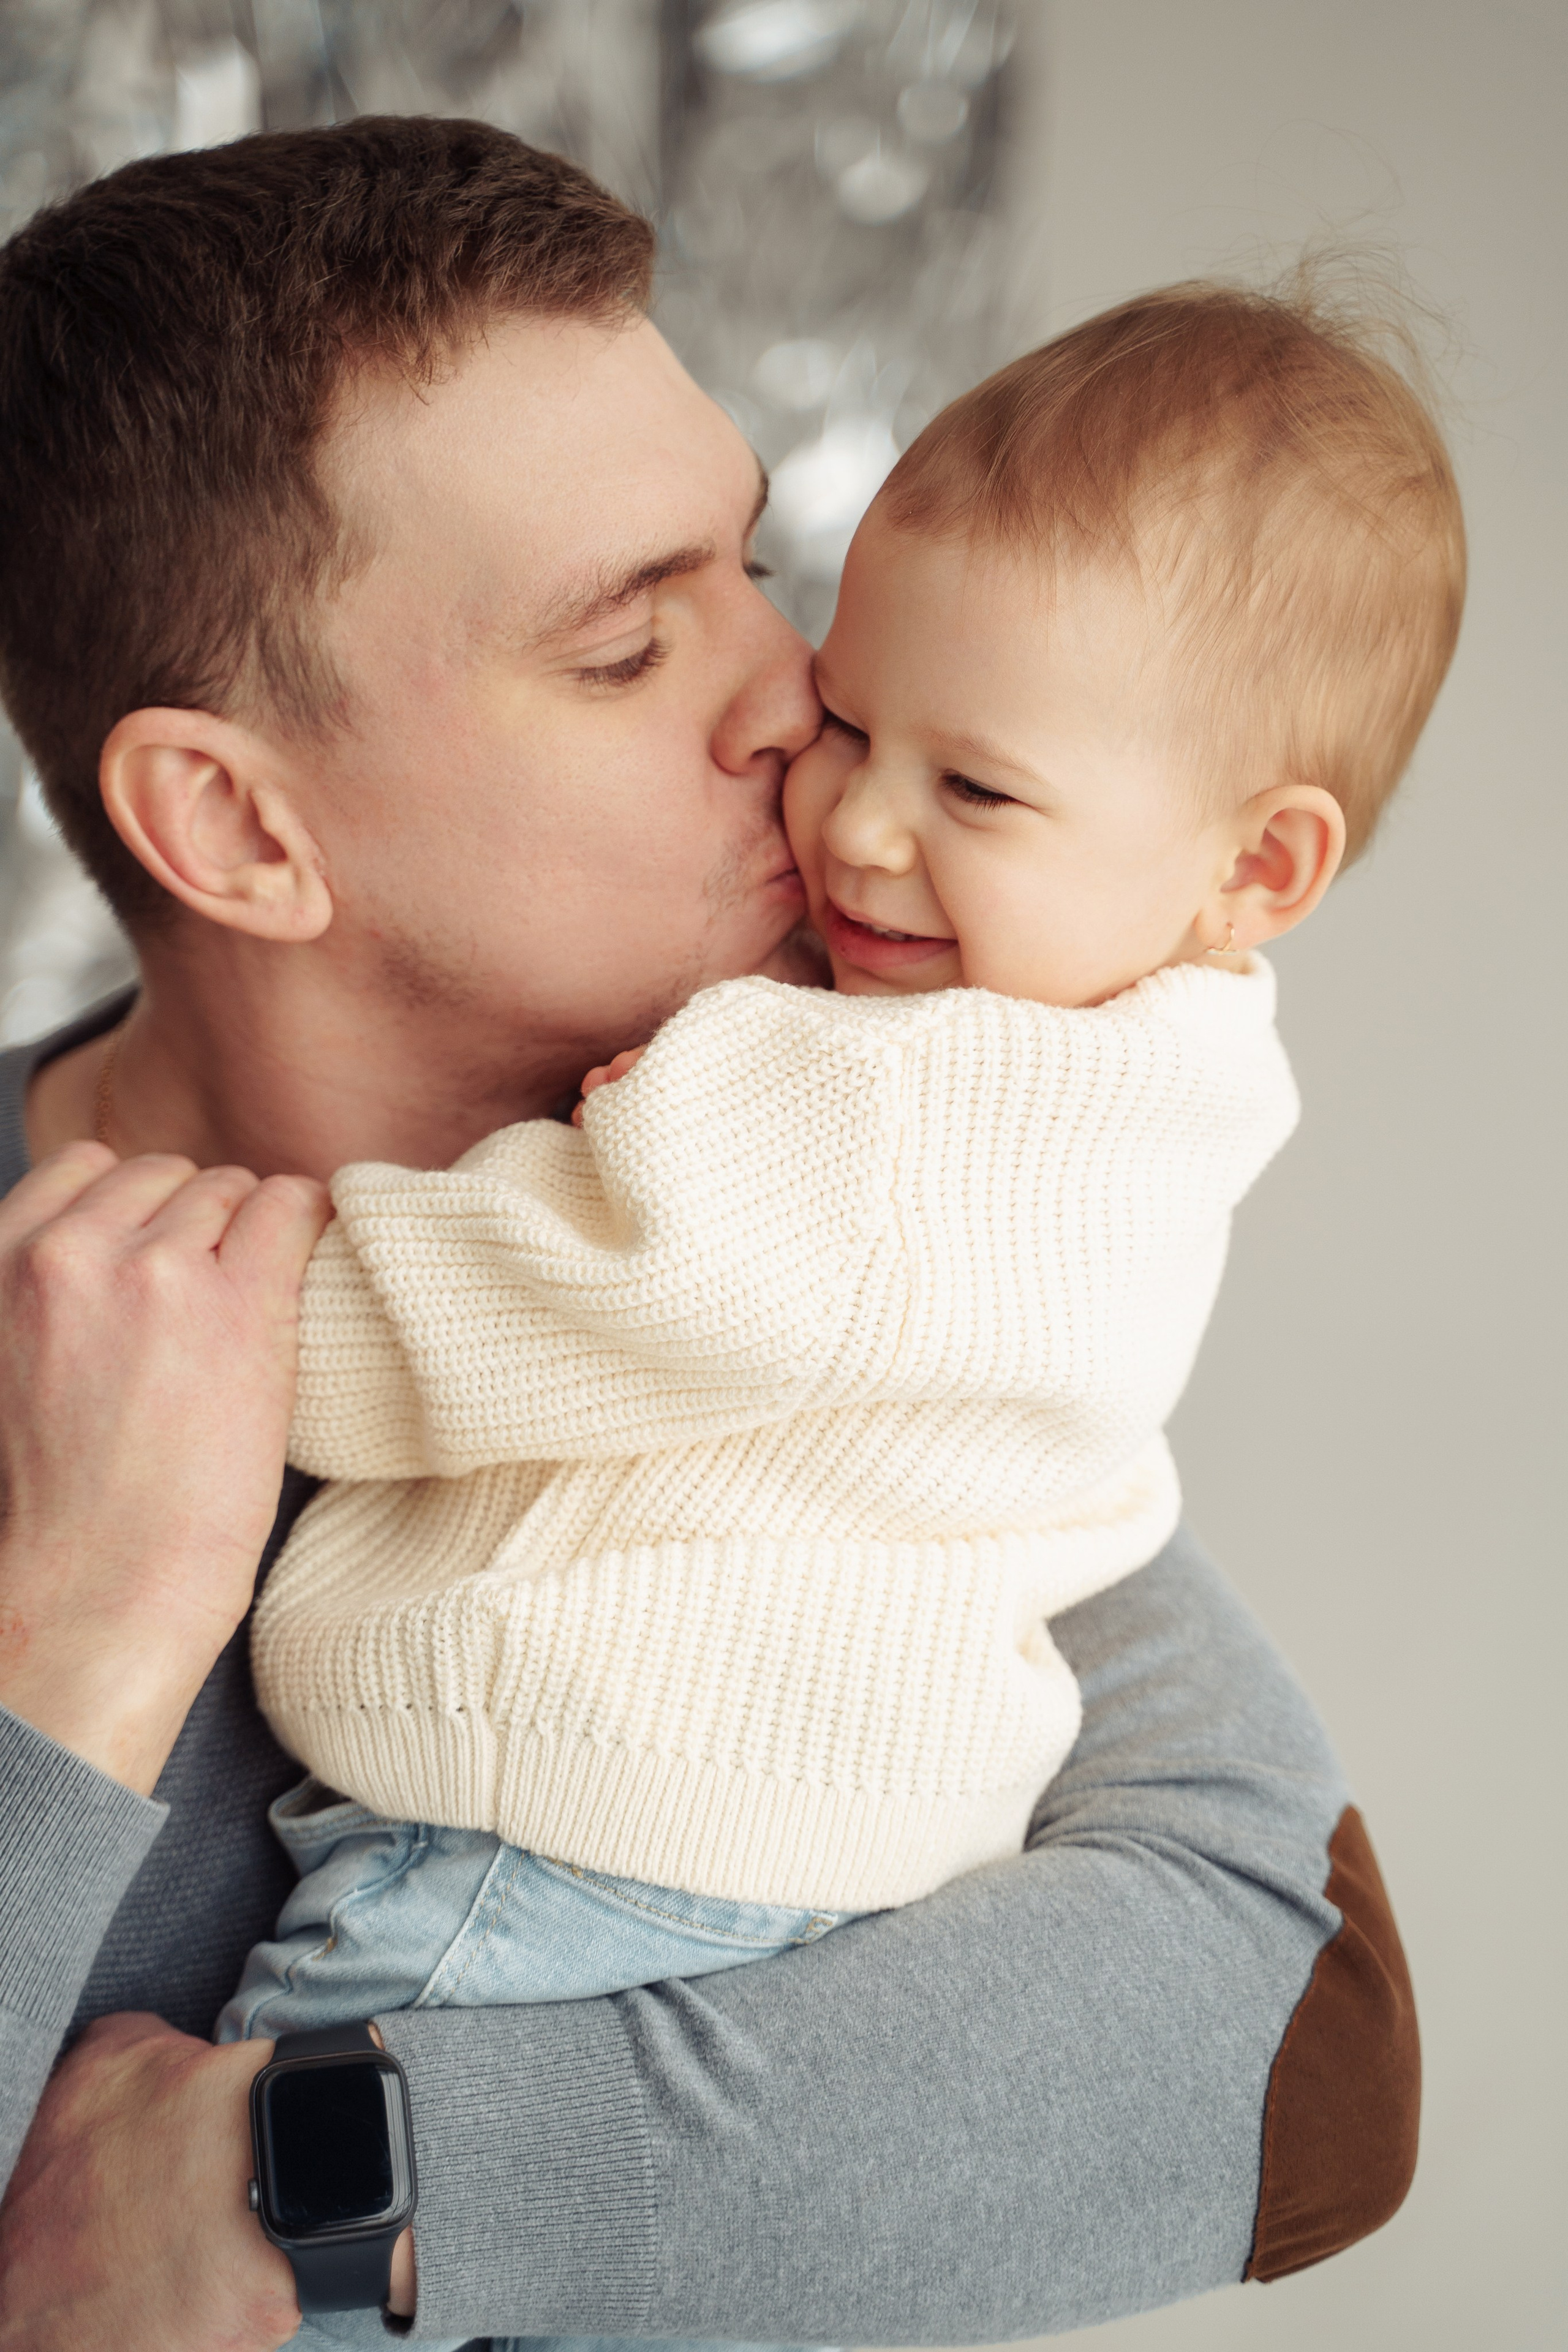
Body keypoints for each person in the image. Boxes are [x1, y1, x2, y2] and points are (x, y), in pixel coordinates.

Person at [0, 118, 1419, 2352]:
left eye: (753, 568)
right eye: (625, 645)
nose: (798, 698)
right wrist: (68, 1662)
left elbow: (1300, 2051)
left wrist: (320, 2192)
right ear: (237, 822)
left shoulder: (856, 1154)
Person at [216, 275, 1464, 2085]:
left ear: (1258, 864)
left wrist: (233, 1304)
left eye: (980, 791)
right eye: (859, 724)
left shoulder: (898, 1125)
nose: (856, 823)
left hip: (560, 1841)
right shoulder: (1128, 1073)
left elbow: (559, 1296)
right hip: (758, 1862)